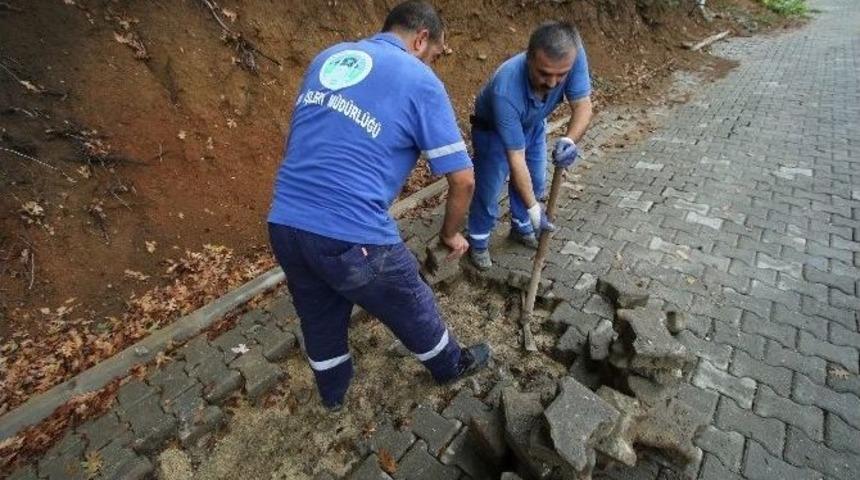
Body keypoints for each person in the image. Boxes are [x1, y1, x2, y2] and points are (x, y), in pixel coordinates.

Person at [267, 0, 490, 411]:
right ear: (421, 39)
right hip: (352, 233)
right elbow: (463, 178)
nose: (434, 64)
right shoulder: (419, 80)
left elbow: (306, 139)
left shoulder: (329, 57)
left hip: (284, 222)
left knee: (318, 315)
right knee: (411, 300)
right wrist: (449, 234)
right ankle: (450, 366)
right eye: (436, 55)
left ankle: (333, 397)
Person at [467, 21, 594, 269]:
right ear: (529, 58)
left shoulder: (573, 55)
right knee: (489, 190)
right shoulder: (506, 89)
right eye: (544, 73)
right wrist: (537, 212)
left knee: (535, 181)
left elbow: (583, 105)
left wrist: (570, 139)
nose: (553, 83)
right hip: (492, 130)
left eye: (561, 74)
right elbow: (516, 160)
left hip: (534, 123)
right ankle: (479, 241)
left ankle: (520, 226)